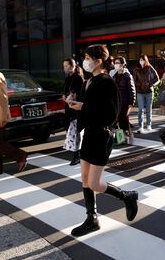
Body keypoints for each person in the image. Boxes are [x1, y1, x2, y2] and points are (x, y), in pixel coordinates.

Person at [67, 44, 138, 237]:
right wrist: (73, 103)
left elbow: (111, 114)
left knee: (94, 183)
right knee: (84, 179)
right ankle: (92, 218)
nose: (85, 61)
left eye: (88, 57)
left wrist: (84, 107)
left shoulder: (107, 82)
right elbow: (85, 106)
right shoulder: (88, 81)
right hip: (88, 134)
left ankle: (127, 196)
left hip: (101, 135)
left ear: (99, 61)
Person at [62, 58, 84, 165]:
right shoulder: (67, 78)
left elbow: (74, 93)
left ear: (72, 66)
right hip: (69, 108)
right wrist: (65, 97)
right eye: (64, 66)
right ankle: (76, 153)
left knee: (76, 132)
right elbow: (65, 93)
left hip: (76, 109)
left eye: (66, 66)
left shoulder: (78, 78)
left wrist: (69, 97)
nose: (64, 68)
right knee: (70, 131)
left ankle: (77, 155)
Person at [112, 56, 136, 144]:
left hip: (125, 102)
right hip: (117, 103)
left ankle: (128, 137)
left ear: (123, 65)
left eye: (118, 63)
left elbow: (132, 90)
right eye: (115, 63)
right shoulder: (114, 76)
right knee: (117, 121)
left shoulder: (127, 76)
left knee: (124, 121)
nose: (116, 65)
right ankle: (121, 139)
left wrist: (131, 102)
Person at [133, 54, 159, 133]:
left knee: (148, 109)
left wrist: (149, 83)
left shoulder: (150, 67)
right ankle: (140, 126)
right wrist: (140, 85)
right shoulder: (136, 69)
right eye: (140, 60)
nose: (142, 61)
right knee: (140, 109)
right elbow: (134, 81)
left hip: (149, 91)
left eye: (143, 59)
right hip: (140, 92)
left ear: (146, 60)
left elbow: (157, 78)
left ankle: (148, 125)